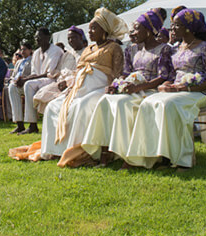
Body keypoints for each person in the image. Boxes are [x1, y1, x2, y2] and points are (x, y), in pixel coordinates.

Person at [13, 8, 126, 162]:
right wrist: (70, 85)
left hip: (99, 88)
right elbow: (78, 72)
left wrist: (113, 87)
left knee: (81, 107)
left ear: (105, 29)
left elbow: (118, 73)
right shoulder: (89, 49)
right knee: (52, 106)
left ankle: (77, 150)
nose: (90, 31)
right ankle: (54, 149)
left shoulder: (114, 48)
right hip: (79, 87)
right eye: (90, 28)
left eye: (94, 28)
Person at [121, 8, 206, 169]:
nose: (172, 29)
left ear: (188, 27)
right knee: (147, 103)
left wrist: (184, 87)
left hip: (197, 92)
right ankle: (151, 156)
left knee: (169, 105)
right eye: (172, 25)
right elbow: (171, 74)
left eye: (177, 25)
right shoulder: (176, 48)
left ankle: (183, 159)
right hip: (175, 90)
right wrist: (167, 84)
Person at [82, 9, 174, 165]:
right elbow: (125, 73)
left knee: (122, 104)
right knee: (105, 101)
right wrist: (115, 85)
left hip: (150, 90)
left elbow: (163, 77)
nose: (133, 32)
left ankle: (127, 154)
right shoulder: (131, 49)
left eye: (137, 28)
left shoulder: (164, 49)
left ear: (150, 31)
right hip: (131, 88)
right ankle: (104, 152)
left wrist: (139, 87)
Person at [8, 28, 65, 134]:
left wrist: (26, 79)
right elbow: (34, 73)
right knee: (12, 87)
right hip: (38, 80)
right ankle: (19, 124)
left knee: (28, 85)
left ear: (48, 37)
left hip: (52, 80)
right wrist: (23, 79)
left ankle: (32, 125)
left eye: (39, 37)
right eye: (35, 37)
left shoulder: (56, 51)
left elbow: (49, 73)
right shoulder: (37, 53)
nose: (37, 39)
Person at [31, 26, 88, 116]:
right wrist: (55, 76)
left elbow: (84, 73)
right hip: (60, 83)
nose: (71, 40)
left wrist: (68, 82)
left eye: (73, 37)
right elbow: (59, 69)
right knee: (41, 95)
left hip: (75, 84)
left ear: (81, 37)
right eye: (69, 38)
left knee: (55, 103)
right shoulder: (67, 54)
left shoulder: (87, 53)